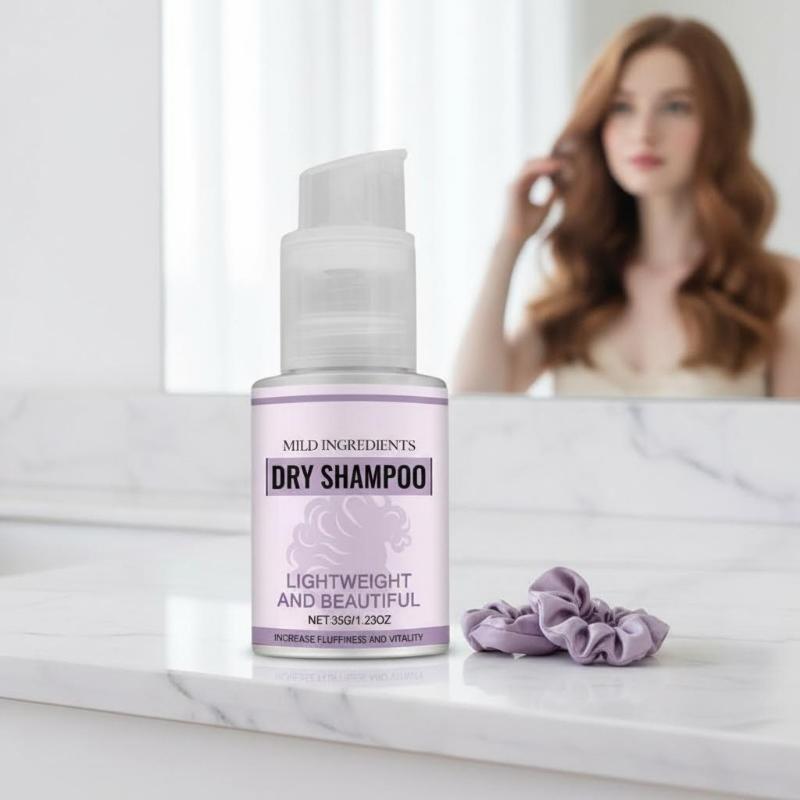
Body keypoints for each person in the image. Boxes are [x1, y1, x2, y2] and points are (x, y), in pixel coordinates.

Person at [453, 15, 800, 397]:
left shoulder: (777, 288)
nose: (644, 132)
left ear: (721, 124)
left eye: (675, 107)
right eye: (622, 107)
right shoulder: (580, 287)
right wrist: (509, 244)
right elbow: (471, 403)